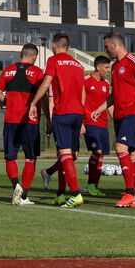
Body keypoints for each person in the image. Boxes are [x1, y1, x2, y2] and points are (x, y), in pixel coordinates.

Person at [91, 32, 135, 208]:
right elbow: (114, 94)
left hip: (131, 114)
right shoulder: (116, 66)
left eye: (106, 47)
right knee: (133, 154)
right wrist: (100, 108)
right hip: (119, 115)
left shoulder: (134, 61)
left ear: (114, 45)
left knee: (120, 147)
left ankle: (130, 193)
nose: (105, 50)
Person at [29, 33, 86, 208]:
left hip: (64, 112)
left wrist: (33, 102)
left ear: (54, 45)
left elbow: (46, 84)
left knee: (64, 154)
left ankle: (75, 193)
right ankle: (61, 194)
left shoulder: (54, 61)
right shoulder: (78, 64)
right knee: (67, 155)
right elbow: (83, 91)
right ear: (68, 47)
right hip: (78, 113)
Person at [0, 43, 44, 205]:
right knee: (30, 158)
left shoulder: (8, 70)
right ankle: (24, 196)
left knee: (10, 156)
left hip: (11, 119)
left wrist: (9, 102)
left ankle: (16, 185)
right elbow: (42, 95)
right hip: (30, 120)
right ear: (34, 56)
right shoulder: (36, 72)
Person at [83, 55, 113, 197]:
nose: (108, 70)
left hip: (103, 124)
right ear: (98, 67)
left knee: (100, 156)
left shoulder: (106, 84)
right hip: (90, 122)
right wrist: (82, 121)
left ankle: (95, 186)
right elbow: (80, 101)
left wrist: (116, 120)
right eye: (106, 68)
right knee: (98, 152)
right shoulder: (85, 81)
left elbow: (109, 105)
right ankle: (90, 184)